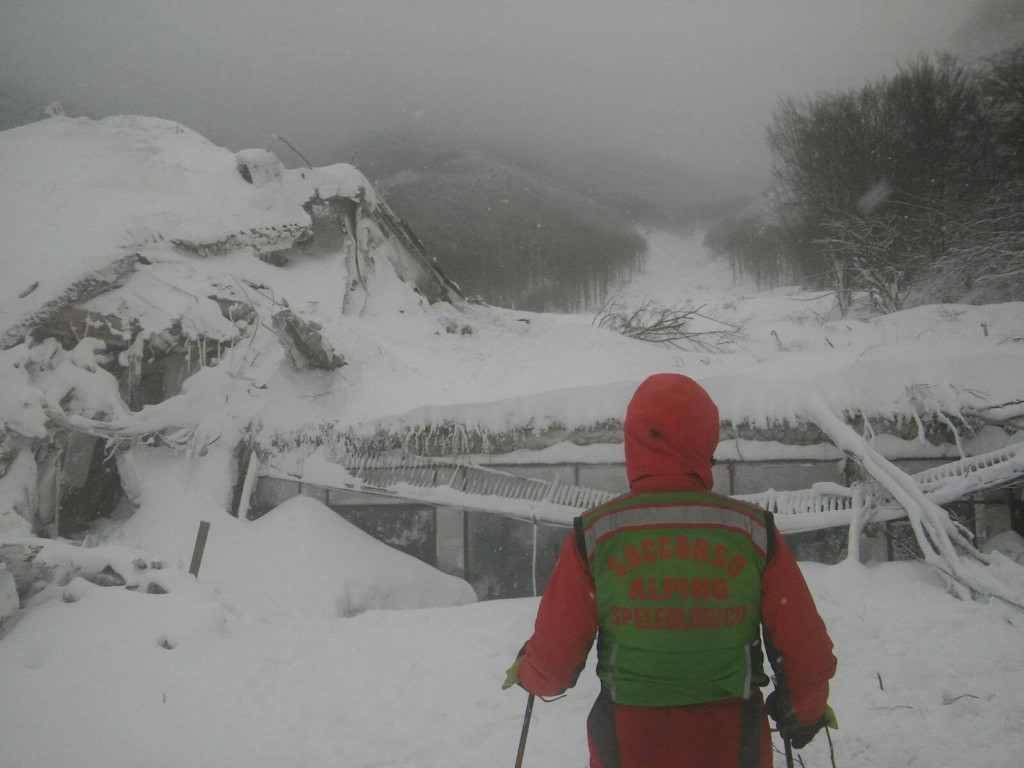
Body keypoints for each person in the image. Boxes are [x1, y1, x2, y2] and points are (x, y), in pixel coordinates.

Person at [502, 373, 837, 768]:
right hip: (732, 742)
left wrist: (530, 671)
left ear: (634, 441)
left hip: (629, 743)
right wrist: (804, 710)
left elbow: (554, 663)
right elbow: (805, 650)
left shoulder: (597, 534)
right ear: (705, 439)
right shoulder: (751, 531)